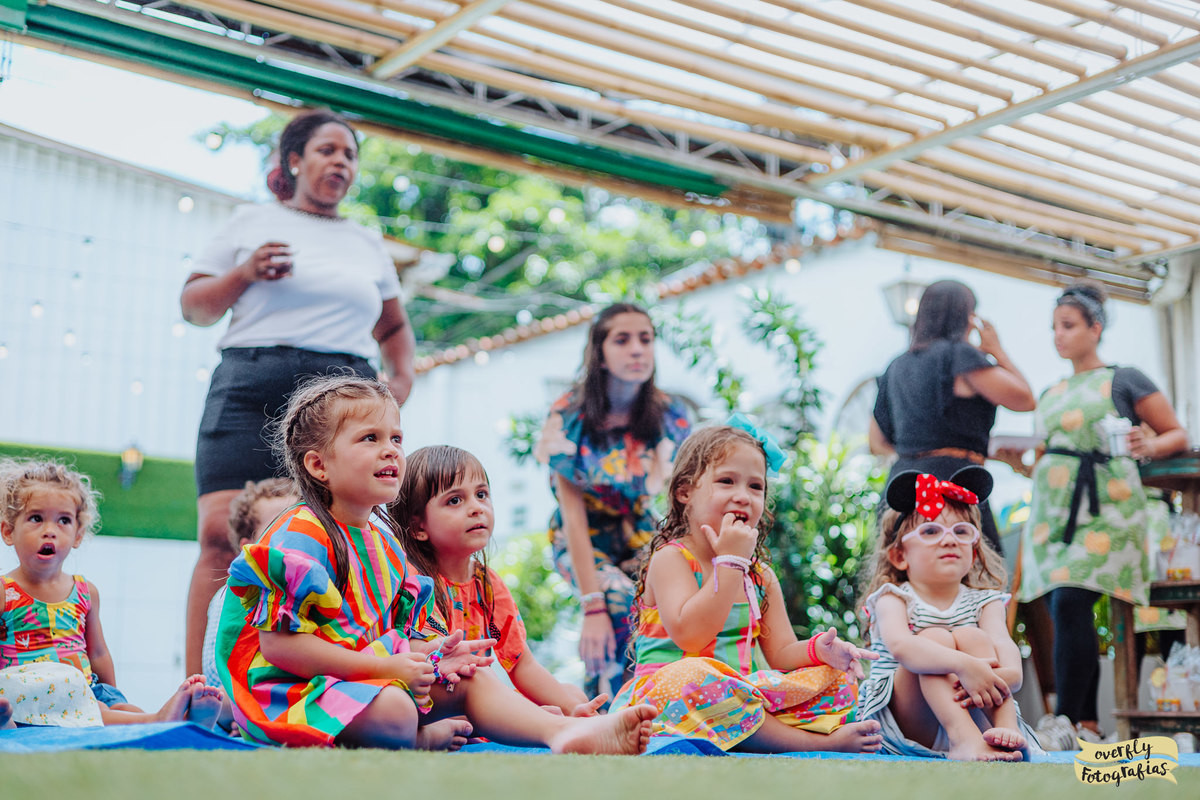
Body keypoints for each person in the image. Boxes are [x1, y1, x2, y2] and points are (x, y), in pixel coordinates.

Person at [215, 374, 656, 751]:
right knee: (394, 711)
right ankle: (419, 738)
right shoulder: (301, 533)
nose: (391, 451)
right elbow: (280, 648)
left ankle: (563, 733)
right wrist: (387, 667)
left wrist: (431, 655)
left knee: (469, 676)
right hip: (284, 692)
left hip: (359, 678)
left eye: (396, 438)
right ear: (318, 465)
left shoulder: (385, 547)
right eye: (370, 438)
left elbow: (388, 637)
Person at [180, 108, 417, 676]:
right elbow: (194, 307)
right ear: (294, 160)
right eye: (327, 150)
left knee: (343, 535)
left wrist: (400, 381)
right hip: (249, 386)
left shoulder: (365, 241)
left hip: (340, 400)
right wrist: (246, 273)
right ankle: (199, 686)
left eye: (350, 154)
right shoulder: (249, 221)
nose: (340, 161)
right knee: (220, 537)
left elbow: (395, 328)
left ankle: (342, 676)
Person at [611, 422, 884, 754]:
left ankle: (749, 731)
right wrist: (729, 564)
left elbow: (781, 653)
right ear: (685, 492)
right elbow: (691, 636)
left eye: (756, 487)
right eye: (726, 481)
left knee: (836, 680)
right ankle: (810, 742)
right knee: (695, 674)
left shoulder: (760, 577)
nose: (742, 496)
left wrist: (819, 652)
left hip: (736, 695)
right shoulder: (672, 560)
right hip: (669, 698)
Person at [1012, 282, 1187, 743]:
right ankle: (1084, 724)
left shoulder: (1125, 378)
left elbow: (1176, 434)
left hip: (1109, 508)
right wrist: (1019, 463)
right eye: (1053, 328)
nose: (1058, 336)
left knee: (1072, 599)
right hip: (1053, 514)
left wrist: (1149, 443)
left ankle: (1070, 718)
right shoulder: (1051, 391)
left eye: (1068, 326)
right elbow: (1052, 454)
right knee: (1062, 606)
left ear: (1096, 327)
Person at [533, 302, 691, 696]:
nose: (637, 349)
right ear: (599, 354)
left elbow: (684, 499)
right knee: (616, 599)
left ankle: (662, 701)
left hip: (640, 530)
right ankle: (605, 709)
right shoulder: (570, 414)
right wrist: (593, 605)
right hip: (582, 534)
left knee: (672, 595)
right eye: (622, 340)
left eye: (645, 339)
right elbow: (572, 517)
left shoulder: (670, 413)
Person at [0, 459, 223, 728]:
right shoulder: (5, 590)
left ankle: (180, 723)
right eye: (36, 518)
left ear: (78, 536)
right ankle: (157, 721)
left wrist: (113, 697)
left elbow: (97, 653)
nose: (50, 531)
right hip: (29, 693)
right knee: (89, 709)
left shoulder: (85, 592)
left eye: (64, 521)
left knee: (121, 708)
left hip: (83, 689)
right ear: (8, 531)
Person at [392, 445, 605, 717]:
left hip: (483, 694)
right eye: (455, 500)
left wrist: (575, 708)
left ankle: (546, 720)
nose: (476, 508)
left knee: (572, 694)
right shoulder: (416, 583)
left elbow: (521, 663)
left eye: (482, 495)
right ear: (419, 528)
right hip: (432, 697)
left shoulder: (487, 583)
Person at [857, 468, 1039, 761]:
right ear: (899, 556)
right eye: (931, 531)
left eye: (961, 531)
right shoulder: (893, 597)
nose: (950, 540)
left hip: (975, 710)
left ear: (975, 551)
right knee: (934, 638)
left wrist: (1008, 675)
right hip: (910, 723)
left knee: (973, 636)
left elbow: (1004, 647)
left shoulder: (985, 601)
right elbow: (902, 648)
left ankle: (1005, 730)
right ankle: (962, 739)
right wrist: (964, 666)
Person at [870, 280, 1035, 553]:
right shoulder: (959, 356)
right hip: (953, 485)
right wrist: (997, 350)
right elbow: (1024, 399)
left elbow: (877, 440)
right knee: (973, 577)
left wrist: (920, 449)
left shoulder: (896, 366)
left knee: (906, 579)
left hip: (901, 487)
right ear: (965, 316)